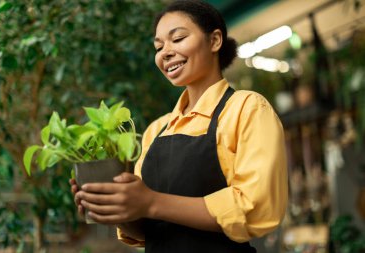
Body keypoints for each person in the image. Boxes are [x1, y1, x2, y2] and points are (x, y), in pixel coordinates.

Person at [70, 0, 288, 252]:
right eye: (159, 46)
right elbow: (146, 229)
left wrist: (151, 202)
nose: (165, 52)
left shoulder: (246, 108)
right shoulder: (157, 130)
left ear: (215, 41)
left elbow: (256, 207)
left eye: (178, 38)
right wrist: (116, 208)